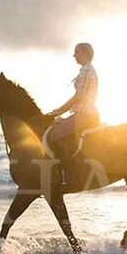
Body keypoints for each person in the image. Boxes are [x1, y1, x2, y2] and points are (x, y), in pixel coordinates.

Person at [47, 43, 100, 187]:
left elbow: (78, 97)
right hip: (84, 112)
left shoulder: (86, 70)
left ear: (85, 53)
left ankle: (69, 175)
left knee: (55, 136)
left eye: (77, 52)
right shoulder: (85, 70)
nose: (74, 55)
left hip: (85, 114)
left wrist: (59, 111)